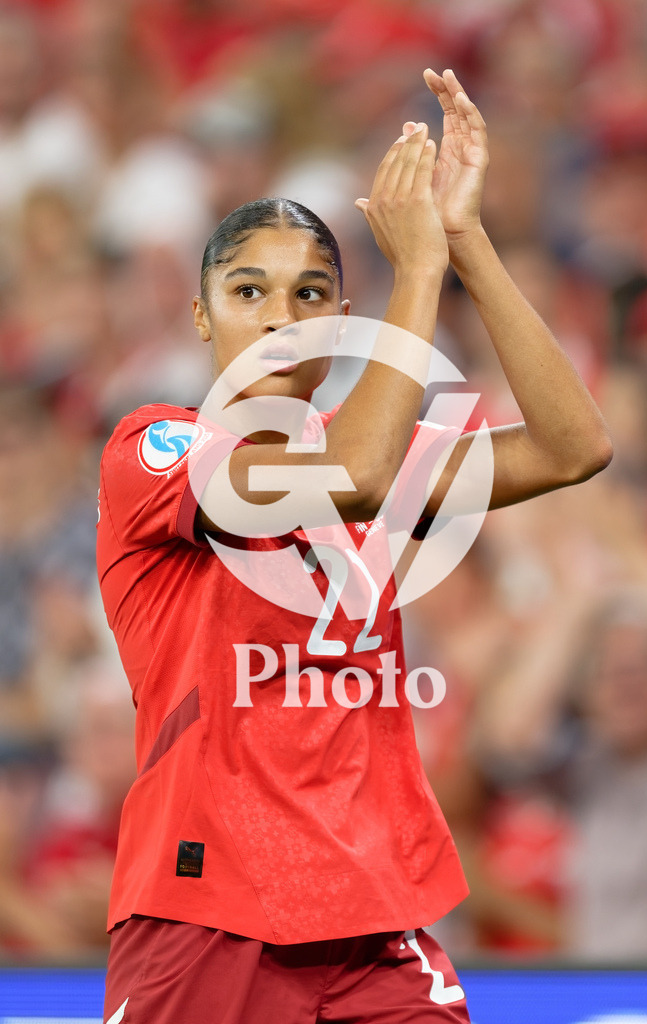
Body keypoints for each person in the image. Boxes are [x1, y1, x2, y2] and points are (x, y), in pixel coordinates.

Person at [97, 70, 612, 1024]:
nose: (281, 319)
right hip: (206, 910)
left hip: (373, 913)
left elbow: (572, 446)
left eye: (311, 294)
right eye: (247, 291)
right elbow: (353, 477)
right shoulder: (155, 448)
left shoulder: (376, 451)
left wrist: (464, 242)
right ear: (201, 316)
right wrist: (415, 276)